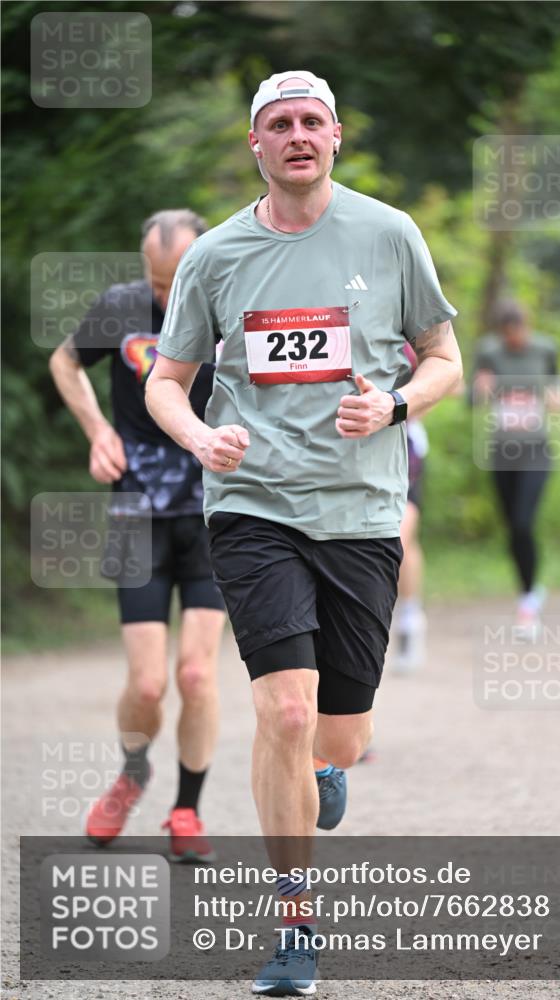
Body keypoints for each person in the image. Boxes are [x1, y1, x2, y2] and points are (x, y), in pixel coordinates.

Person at [146, 70, 461, 996]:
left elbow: (443, 357)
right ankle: (294, 925)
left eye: (311, 122)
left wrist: (396, 402)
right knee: (282, 709)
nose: (296, 136)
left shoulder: (387, 233)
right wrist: (203, 435)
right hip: (253, 508)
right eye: (278, 123)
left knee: (340, 734)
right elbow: (167, 378)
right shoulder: (214, 256)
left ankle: (326, 767)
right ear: (256, 144)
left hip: (361, 513)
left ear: (335, 138)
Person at [48, 210, 225, 862]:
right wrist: (98, 430)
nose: (162, 297)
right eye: (155, 282)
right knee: (148, 685)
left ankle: (186, 810)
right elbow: (65, 364)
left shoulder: (235, 310)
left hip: (214, 511)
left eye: (174, 284)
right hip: (135, 511)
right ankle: (132, 773)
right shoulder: (121, 304)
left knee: (197, 674)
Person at [470, 300, 560, 638]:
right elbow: (472, 398)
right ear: (500, 333)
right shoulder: (489, 353)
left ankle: (527, 603)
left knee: (524, 522)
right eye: (509, 335)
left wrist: (555, 396)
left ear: (528, 324)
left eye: (519, 332)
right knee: (513, 528)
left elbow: (557, 384)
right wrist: (480, 390)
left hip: (537, 450)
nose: (515, 340)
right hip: (502, 452)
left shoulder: (546, 348)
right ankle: (529, 588)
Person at [392, 343, 429, 673]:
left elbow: (448, 376)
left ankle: (408, 618)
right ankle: (409, 613)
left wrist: (407, 406)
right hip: (356, 449)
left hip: (406, 445)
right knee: (407, 544)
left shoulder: (407, 340)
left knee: (400, 539)